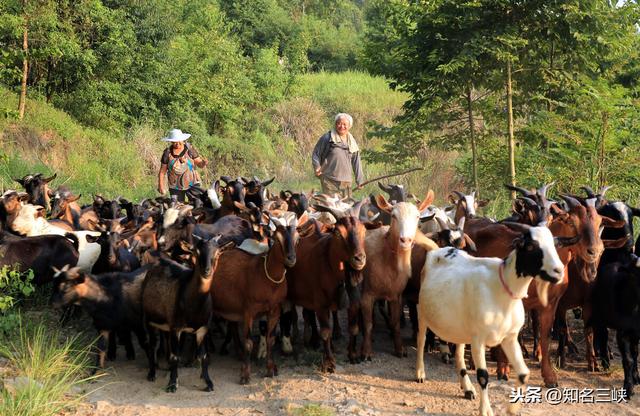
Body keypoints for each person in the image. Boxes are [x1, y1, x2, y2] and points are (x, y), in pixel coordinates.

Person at [312, 113, 364, 198]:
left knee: (345, 207)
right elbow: (316, 154)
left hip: (346, 182)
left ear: (349, 126)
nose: (341, 126)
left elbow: (356, 162)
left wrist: (360, 180)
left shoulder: (352, 142)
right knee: (332, 207)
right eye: (339, 123)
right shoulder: (327, 138)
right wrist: (317, 167)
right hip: (329, 180)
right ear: (335, 124)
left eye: (344, 124)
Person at [157, 128, 208, 202]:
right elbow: (162, 171)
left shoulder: (189, 149)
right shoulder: (167, 153)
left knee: (197, 203)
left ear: (182, 140)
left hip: (192, 184)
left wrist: (203, 163)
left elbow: (199, 163)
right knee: (177, 207)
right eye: (174, 142)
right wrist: (161, 185)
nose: (177, 143)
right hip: (175, 186)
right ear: (171, 141)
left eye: (179, 141)